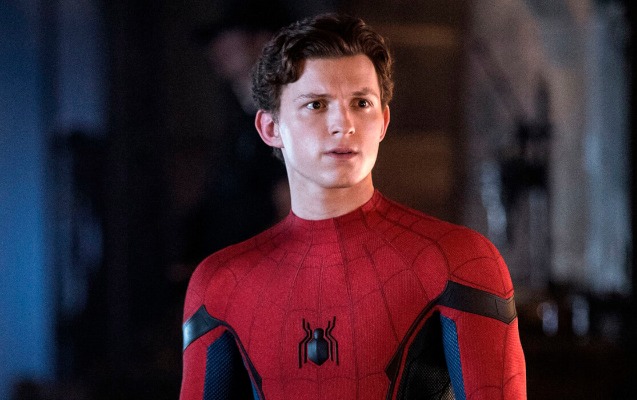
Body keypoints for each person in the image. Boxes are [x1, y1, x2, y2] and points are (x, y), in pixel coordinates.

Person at [180, 13, 526, 400]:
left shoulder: (459, 261)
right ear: (270, 128)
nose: (343, 124)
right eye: (316, 104)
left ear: (383, 121)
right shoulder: (219, 283)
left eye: (361, 103)